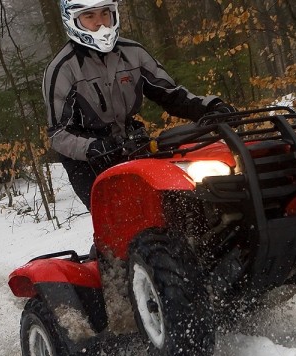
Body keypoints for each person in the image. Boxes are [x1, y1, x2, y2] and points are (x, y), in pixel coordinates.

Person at [43, 0, 236, 210]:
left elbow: (170, 95)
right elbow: (59, 134)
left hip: (130, 141)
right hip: (86, 157)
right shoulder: (62, 69)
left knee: (175, 199)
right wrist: (93, 148)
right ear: (73, 20)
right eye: (90, 16)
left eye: (105, 14)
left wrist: (210, 108)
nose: (100, 23)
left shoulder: (133, 53)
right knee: (119, 216)